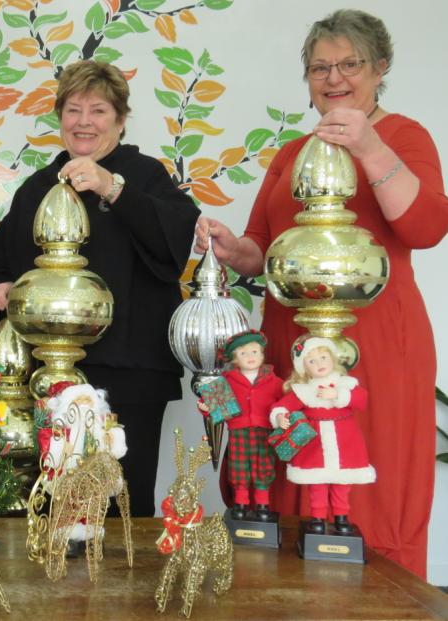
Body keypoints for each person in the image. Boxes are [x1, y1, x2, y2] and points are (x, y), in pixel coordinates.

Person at [194, 9, 448, 577]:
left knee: (369, 480)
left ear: (381, 68)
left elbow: (427, 228)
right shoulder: (292, 153)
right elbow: (262, 245)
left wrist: (371, 147)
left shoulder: (404, 136)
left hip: (377, 346)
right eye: (319, 68)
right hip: (289, 342)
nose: (334, 79)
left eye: (350, 64)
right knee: (289, 469)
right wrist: (232, 249)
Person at [0, 60, 200, 517]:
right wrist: (0, 285)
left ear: (120, 120)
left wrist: (111, 187)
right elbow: (2, 259)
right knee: (49, 504)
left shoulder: (144, 176)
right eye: (73, 109)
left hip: (131, 375)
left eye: (98, 111)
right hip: (47, 376)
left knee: (123, 502)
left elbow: (175, 242)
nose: (84, 122)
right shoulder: (38, 186)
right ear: (59, 117)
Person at [270, 337, 375, 535]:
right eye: (311, 361)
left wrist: (338, 395)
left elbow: (362, 400)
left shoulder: (346, 384)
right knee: (317, 482)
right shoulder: (303, 390)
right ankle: (317, 517)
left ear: (333, 359)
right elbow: (281, 405)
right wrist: (280, 416)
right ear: (303, 369)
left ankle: (341, 517)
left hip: (345, 441)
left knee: (342, 482)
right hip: (314, 445)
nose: (319, 364)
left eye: (323, 357)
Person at [198, 330, 283, 521]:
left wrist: (283, 413)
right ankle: (241, 504)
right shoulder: (226, 381)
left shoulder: (274, 381)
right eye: (243, 353)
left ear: (262, 354)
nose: (250, 357)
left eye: (254, 352)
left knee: (264, 466)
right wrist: (205, 407)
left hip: (265, 432)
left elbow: (287, 401)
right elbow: (212, 406)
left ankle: (262, 505)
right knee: (238, 469)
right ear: (235, 359)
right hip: (238, 432)